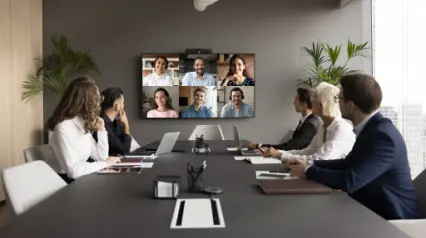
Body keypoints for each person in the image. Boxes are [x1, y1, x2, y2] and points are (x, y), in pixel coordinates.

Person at [288, 74, 421, 220]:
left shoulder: (383, 136)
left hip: (392, 221)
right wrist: (309, 163)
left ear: (350, 105)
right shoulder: (372, 128)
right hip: (369, 210)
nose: (337, 103)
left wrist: (308, 170)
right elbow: (346, 163)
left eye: (339, 99)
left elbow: (349, 181)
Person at [47, 77, 121, 183]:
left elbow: (101, 157)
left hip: (79, 179)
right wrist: (106, 164)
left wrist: (101, 130)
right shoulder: (62, 128)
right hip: (63, 184)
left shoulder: (82, 124)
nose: (98, 104)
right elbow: (73, 171)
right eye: (96, 99)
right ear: (85, 102)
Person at [263, 82, 355, 162]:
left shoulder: (341, 129)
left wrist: (280, 155)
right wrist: (278, 152)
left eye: (314, 98)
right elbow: (307, 151)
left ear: (321, 104)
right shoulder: (324, 126)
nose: (311, 101)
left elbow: (319, 159)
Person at [248, 88, 321, 151]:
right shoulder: (307, 120)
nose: (293, 103)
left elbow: (290, 147)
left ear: (303, 104)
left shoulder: (310, 124)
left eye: (296, 100)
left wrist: (259, 146)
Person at [94, 87, 132, 156]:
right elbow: (125, 151)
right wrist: (126, 126)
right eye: (122, 103)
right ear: (117, 106)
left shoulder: (115, 123)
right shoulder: (102, 125)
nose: (123, 106)